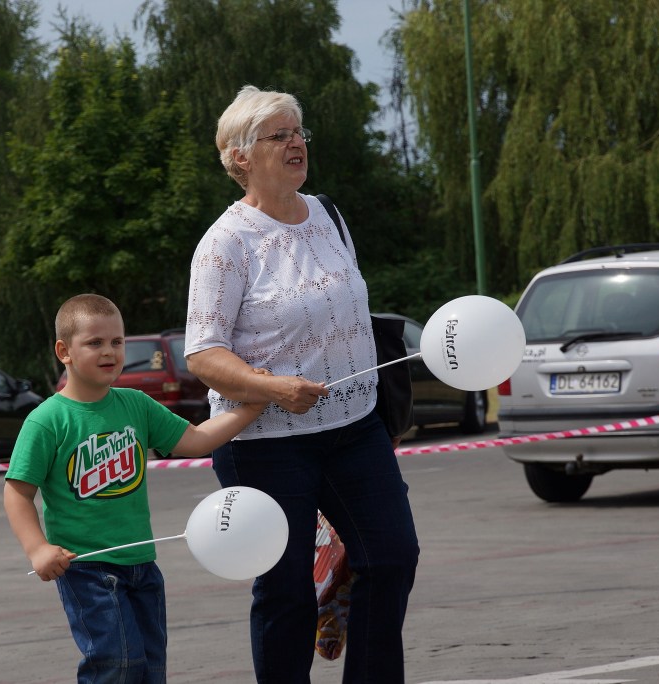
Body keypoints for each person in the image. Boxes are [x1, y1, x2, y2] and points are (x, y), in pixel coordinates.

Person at [184, 85, 420, 684]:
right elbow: (203, 355)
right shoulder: (225, 244)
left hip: (355, 426)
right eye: (279, 135)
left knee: (390, 558)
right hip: (265, 443)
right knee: (286, 589)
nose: (296, 143)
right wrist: (271, 387)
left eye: (299, 133)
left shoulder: (330, 215)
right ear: (240, 157)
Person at [4, 293, 267, 684]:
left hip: (142, 565)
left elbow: (195, 440)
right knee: (116, 663)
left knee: (149, 667)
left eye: (117, 341)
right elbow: (17, 492)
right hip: (87, 568)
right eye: (94, 343)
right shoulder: (47, 420)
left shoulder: (136, 405)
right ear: (65, 351)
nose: (108, 351)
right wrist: (38, 548)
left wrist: (250, 407)